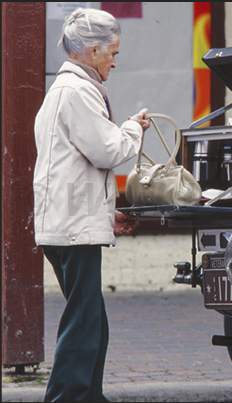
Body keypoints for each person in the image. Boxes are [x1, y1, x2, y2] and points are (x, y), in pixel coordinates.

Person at [33, 8, 150, 401]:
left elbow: (70, 166)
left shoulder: (63, 90)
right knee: (84, 321)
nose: (115, 61)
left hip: (66, 221)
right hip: (72, 227)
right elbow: (108, 150)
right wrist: (134, 126)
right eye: (112, 52)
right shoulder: (78, 91)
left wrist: (107, 212)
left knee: (91, 319)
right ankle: (67, 397)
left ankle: (88, 395)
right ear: (94, 50)